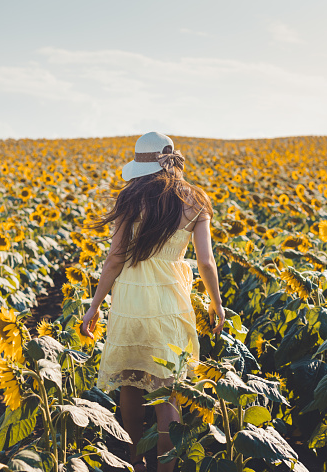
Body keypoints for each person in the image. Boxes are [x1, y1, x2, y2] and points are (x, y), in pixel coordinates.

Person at [81, 132, 225, 472]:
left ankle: (134, 462)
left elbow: (115, 257)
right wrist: (216, 303)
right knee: (167, 393)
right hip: (171, 304)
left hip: (130, 300)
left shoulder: (131, 198)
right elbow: (206, 262)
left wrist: (95, 304)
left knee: (130, 386)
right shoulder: (196, 200)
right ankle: (165, 468)